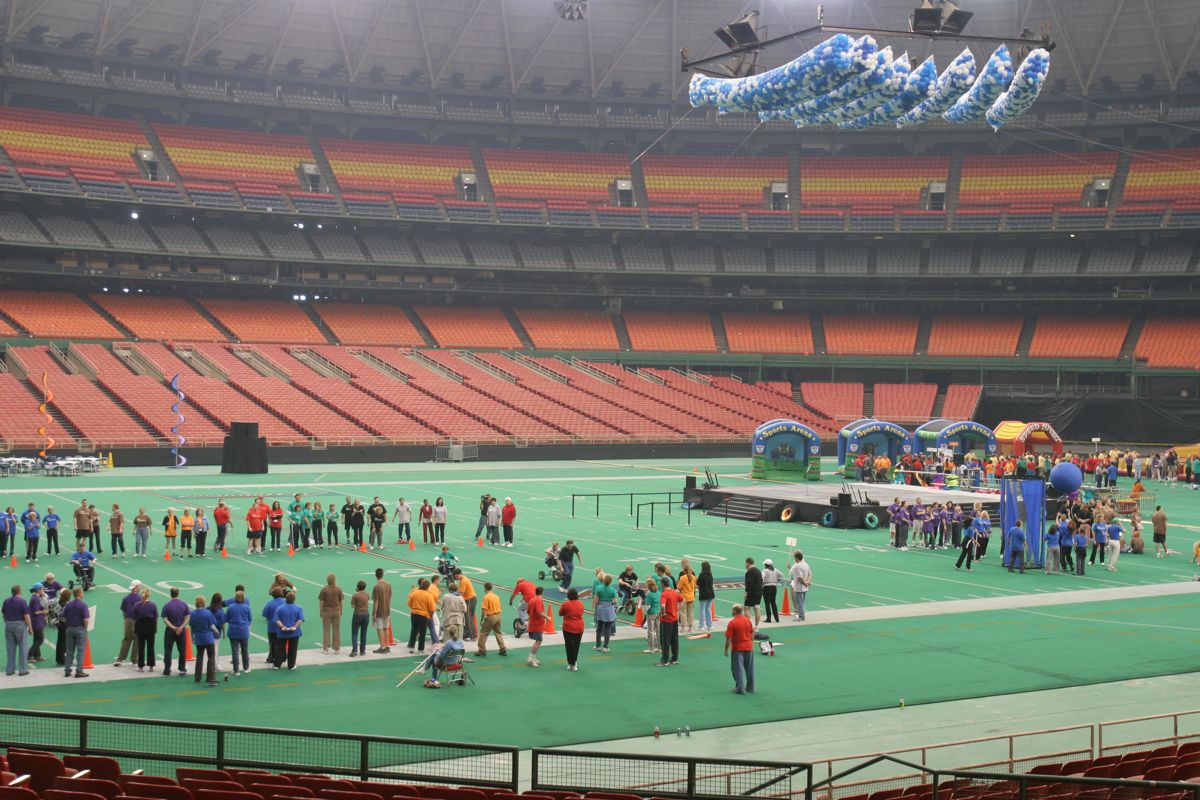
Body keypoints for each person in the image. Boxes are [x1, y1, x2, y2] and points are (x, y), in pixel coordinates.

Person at [724, 604, 754, 695]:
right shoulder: (747, 620)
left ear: (734, 611)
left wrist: (726, 649)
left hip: (738, 648)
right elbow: (752, 633)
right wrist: (750, 642)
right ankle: (750, 687)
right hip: (749, 647)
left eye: (732, 610)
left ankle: (740, 688)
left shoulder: (732, 623)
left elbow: (728, 638)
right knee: (749, 668)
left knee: (737, 669)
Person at [189, 596, 219, 685]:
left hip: (198, 639)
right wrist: (217, 632)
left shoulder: (192, 613)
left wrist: (192, 637)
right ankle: (210, 678)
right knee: (211, 657)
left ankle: (197, 678)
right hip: (208, 638)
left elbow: (192, 627)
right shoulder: (207, 613)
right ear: (203, 603)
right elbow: (212, 626)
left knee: (199, 657)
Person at [2, 585, 31, 676]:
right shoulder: (22, 601)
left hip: (8, 624)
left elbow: (3, 613)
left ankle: (10, 670)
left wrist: (6, 621)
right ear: (19, 591)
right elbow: (26, 616)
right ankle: (23, 670)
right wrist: (30, 628)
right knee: (23, 647)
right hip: (19, 624)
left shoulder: (6, 601)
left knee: (10, 648)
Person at [161, 587, 190, 676]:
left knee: (168, 651)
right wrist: (181, 627)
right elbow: (188, 617)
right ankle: (182, 669)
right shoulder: (184, 604)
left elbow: (165, 619)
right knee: (182, 651)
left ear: (170, 594)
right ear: (178, 593)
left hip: (170, 631)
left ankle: (167, 669)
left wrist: (173, 627)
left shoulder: (167, 606)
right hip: (181, 631)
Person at [272, 592, 305, 671]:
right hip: (294, 633)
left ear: (285, 599)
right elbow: (300, 620)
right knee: (293, 649)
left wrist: (282, 626)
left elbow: (277, 619)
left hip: (282, 633)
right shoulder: (299, 608)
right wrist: (294, 627)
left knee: (280, 649)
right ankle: (291, 665)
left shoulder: (280, 608)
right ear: (294, 599)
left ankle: (277, 665)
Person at [62, 587, 90, 678]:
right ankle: (79, 671)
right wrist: (85, 628)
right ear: (80, 594)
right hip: (80, 629)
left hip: (70, 629)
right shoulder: (83, 605)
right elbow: (86, 619)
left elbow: (64, 618)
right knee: (80, 651)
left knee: (69, 650)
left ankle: (67, 670)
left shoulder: (68, 604)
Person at [114, 580, 141, 666]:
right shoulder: (140, 598)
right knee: (137, 639)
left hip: (128, 620)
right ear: (136, 587)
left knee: (127, 639)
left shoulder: (125, 598)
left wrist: (126, 620)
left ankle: (120, 659)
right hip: (137, 621)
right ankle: (134, 660)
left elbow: (123, 610)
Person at [476, 582, 506, 657]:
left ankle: (481, 650)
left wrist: (482, 619)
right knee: (498, 633)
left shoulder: (486, 597)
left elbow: (484, 610)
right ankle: (503, 648)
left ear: (485, 588)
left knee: (483, 633)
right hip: (498, 616)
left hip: (491, 617)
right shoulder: (496, 596)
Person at [558, 588, 585, 671]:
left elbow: (560, 613)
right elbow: (581, 612)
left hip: (568, 628)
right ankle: (574, 661)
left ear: (568, 595)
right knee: (576, 645)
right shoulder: (581, 604)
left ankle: (572, 664)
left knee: (569, 646)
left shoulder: (566, 604)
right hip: (579, 627)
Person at [224, 590, 251, 675]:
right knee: (245, 650)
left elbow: (226, 619)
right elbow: (250, 619)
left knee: (235, 651)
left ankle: (236, 670)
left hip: (233, 631)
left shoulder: (231, 607)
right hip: (244, 631)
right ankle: (246, 668)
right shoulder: (247, 607)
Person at [406, 578, 434, 654]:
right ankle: (420, 649)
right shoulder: (428, 595)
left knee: (414, 630)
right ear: (428, 587)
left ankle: (411, 647)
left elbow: (409, 604)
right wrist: (431, 616)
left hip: (414, 614)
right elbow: (432, 609)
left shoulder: (415, 593)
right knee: (422, 632)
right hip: (424, 615)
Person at [318, 573, 344, 654]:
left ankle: (326, 648)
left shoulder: (324, 589)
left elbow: (321, 602)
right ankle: (337, 648)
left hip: (326, 611)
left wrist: (320, 611)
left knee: (326, 630)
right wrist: (341, 610)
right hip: (336, 611)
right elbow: (341, 601)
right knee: (336, 630)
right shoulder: (338, 589)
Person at [592, 573, 618, 652]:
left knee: (599, 628)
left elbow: (596, 601)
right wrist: (611, 604)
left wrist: (597, 607)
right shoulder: (612, 589)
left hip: (601, 609)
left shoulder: (599, 588)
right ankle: (605, 647)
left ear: (603, 580)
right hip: (609, 609)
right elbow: (615, 601)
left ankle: (598, 645)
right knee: (608, 628)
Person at [657, 581, 680, 667]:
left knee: (665, 640)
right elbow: (683, 600)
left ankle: (665, 660)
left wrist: (663, 613)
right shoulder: (675, 592)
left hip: (666, 620)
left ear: (662, 584)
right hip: (674, 619)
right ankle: (674, 658)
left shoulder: (664, 594)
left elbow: (663, 605)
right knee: (674, 639)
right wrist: (677, 610)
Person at [526, 585, 549, 667]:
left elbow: (528, 611)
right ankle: (531, 658)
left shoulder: (532, 599)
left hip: (533, 623)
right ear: (542, 592)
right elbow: (540, 612)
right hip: (537, 624)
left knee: (538, 640)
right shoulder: (538, 600)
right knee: (538, 641)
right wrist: (547, 617)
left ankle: (533, 657)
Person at [371, 568, 393, 653]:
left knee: (379, 628)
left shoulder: (376, 586)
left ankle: (382, 646)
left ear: (376, 575)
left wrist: (374, 614)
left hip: (380, 610)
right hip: (387, 610)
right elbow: (390, 597)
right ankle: (387, 645)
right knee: (386, 628)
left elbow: (376, 601)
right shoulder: (388, 584)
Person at [453, 569, 478, 641]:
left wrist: (454, 598)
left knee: (468, 617)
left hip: (470, 599)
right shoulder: (463, 579)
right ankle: (467, 634)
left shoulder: (463, 581)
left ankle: (472, 635)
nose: (455, 578)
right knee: (466, 617)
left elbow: (461, 593)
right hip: (469, 599)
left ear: (459, 574)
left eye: (456, 576)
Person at [788, 551, 812, 620]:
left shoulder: (797, 566)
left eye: (794, 557)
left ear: (797, 558)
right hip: (805, 587)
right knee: (802, 602)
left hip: (799, 587)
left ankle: (801, 616)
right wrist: (807, 583)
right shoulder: (806, 564)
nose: (794, 559)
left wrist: (804, 583)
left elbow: (800, 577)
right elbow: (810, 575)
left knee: (799, 602)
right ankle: (802, 615)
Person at [348, 580, 369, 657]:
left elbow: (352, 606)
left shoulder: (355, 595)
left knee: (354, 633)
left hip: (357, 614)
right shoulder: (367, 594)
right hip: (366, 614)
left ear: (357, 587)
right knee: (364, 634)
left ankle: (354, 651)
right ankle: (362, 651)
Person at [27, 583, 46, 664]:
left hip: (36, 622)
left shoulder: (36, 598)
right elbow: (36, 611)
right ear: (38, 590)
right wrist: (44, 611)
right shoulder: (35, 599)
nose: (43, 590)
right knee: (40, 639)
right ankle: (29, 654)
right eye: (42, 589)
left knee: (36, 639)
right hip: (36, 622)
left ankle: (37, 656)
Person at [760, 559, 783, 624]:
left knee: (767, 603)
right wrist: (777, 580)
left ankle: (769, 618)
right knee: (773, 603)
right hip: (774, 587)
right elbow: (781, 575)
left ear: (765, 565)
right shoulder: (775, 570)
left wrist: (761, 584)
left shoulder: (764, 571)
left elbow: (761, 578)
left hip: (766, 588)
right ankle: (777, 618)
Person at [642, 578, 661, 654]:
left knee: (650, 631)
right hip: (658, 612)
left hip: (651, 613)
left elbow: (648, 605)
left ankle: (651, 648)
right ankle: (659, 647)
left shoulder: (649, 594)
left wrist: (645, 610)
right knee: (658, 630)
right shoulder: (658, 592)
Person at [676, 563, 696, 633]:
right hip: (691, 596)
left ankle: (683, 627)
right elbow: (694, 586)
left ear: (684, 571)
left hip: (684, 597)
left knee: (683, 612)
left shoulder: (683, 578)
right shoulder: (693, 577)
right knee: (690, 612)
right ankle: (690, 627)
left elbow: (679, 587)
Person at [743, 558, 762, 629]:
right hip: (759, 592)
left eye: (746, 563)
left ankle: (747, 626)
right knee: (757, 608)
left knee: (746, 608)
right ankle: (756, 627)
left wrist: (746, 592)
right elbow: (761, 581)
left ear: (748, 563)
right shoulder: (758, 571)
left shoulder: (749, 572)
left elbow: (749, 583)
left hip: (751, 592)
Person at [697, 561, 716, 632]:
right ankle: (710, 625)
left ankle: (701, 626)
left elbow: (698, 583)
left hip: (704, 594)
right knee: (708, 609)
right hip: (711, 593)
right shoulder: (710, 574)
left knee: (702, 610)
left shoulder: (702, 574)